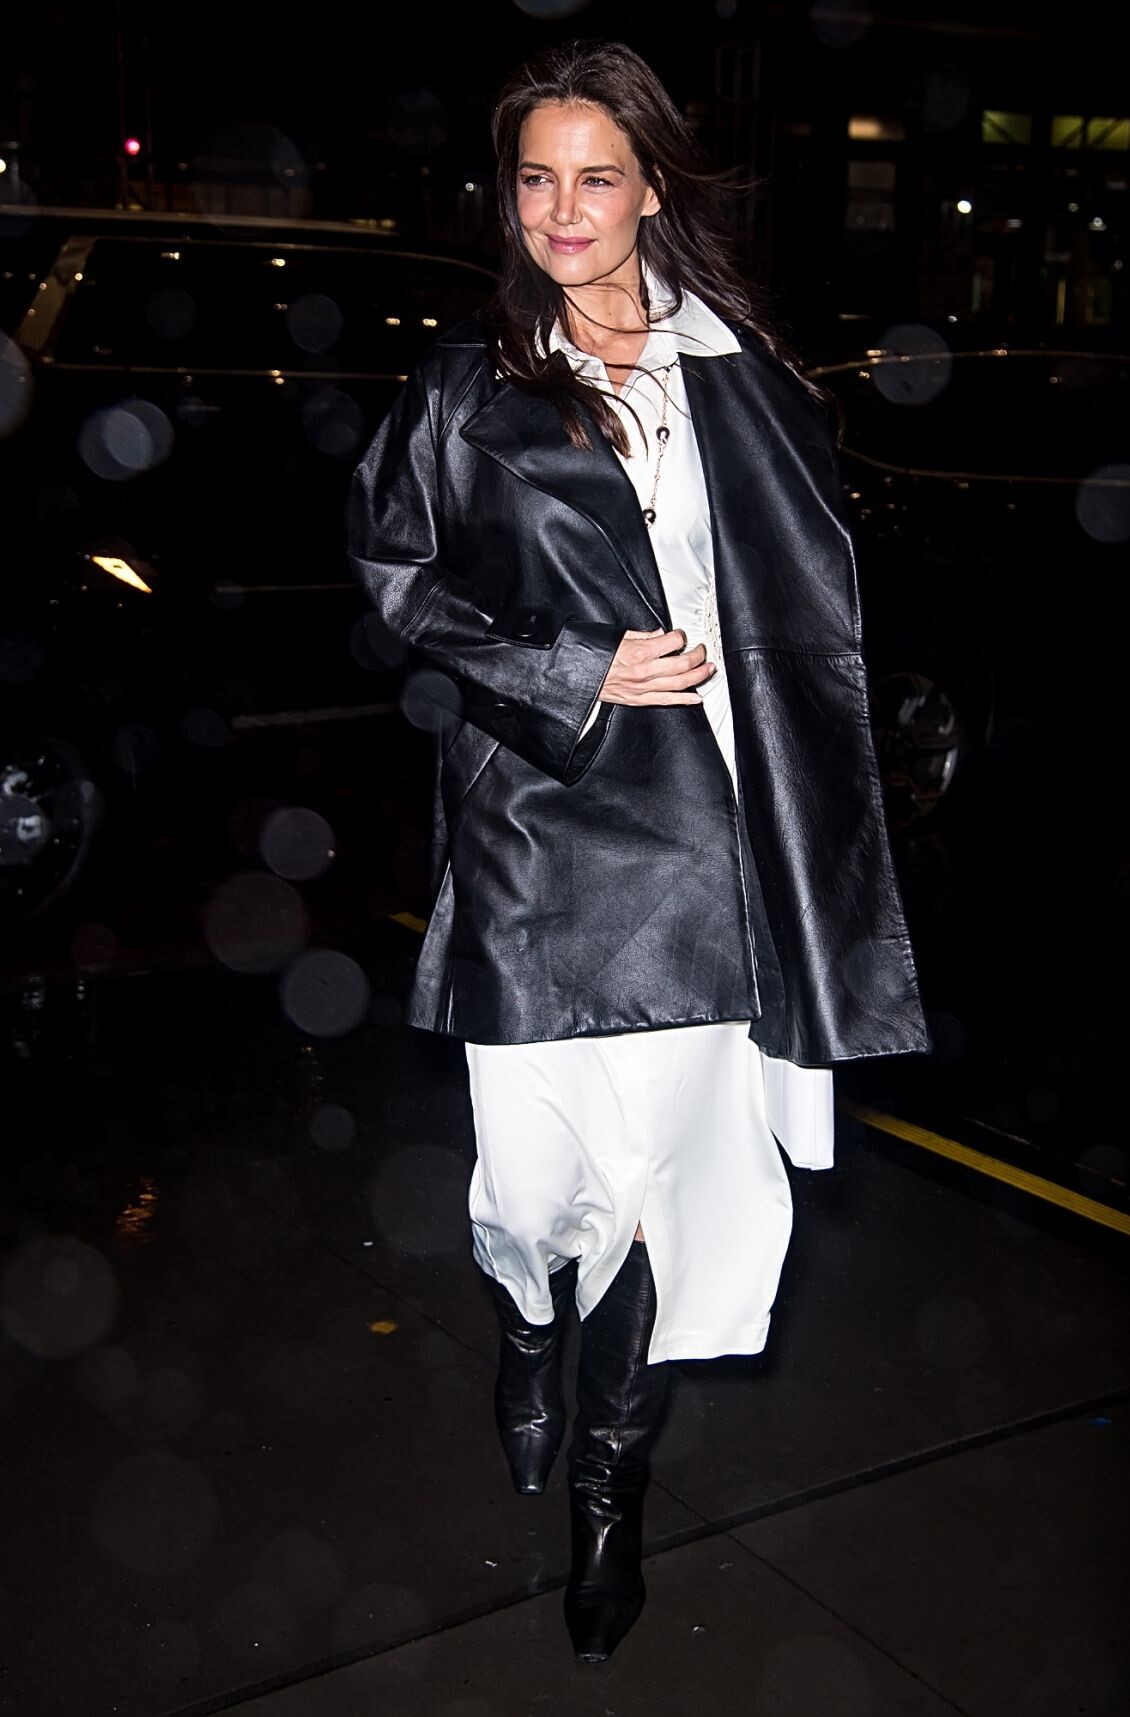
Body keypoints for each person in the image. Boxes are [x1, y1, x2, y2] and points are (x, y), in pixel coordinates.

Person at [347, 38, 929, 1663]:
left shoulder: (737, 370)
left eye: (596, 177)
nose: (562, 210)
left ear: (651, 189)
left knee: (666, 1191)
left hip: (705, 844)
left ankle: (611, 1496)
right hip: (542, 828)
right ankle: (528, 1323)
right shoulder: (465, 386)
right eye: (536, 178)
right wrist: (570, 666)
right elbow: (394, 582)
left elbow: (807, 601)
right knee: (540, 1190)